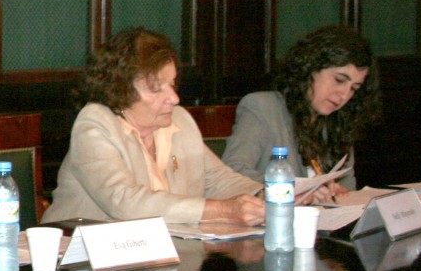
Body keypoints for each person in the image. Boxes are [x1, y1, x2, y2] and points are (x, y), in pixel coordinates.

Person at [42, 27, 264, 226]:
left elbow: (218, 180)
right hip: (79, 259)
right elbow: (125, 202)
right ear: (120, 90)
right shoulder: (95, 123)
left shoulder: (180, 120)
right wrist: (222, 210)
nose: (174, 98)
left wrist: (270, 197)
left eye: (172, 84)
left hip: (159, 254)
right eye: (156, 88)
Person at [222, 25, 380, 202]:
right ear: (310, 67)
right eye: (339, 80)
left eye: (354, 88)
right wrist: (292, 188)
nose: (344, 95)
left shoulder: (340, 123)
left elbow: (349, 190)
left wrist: (339, 194)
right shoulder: (263, 107)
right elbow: (232, 172)